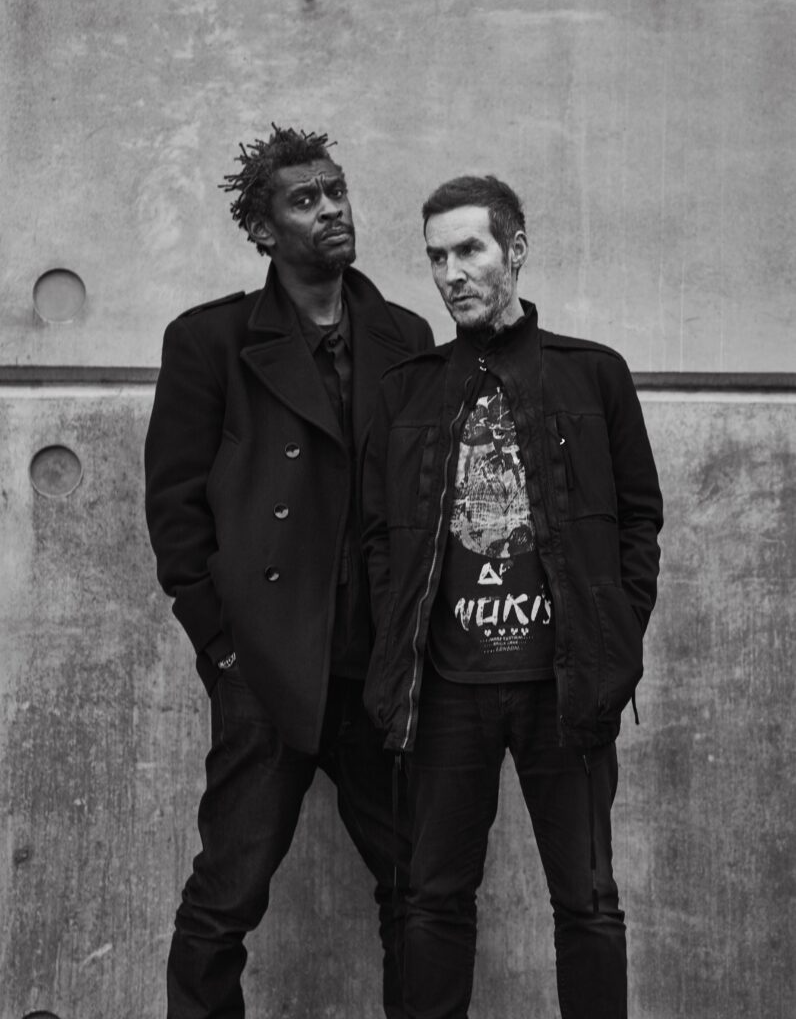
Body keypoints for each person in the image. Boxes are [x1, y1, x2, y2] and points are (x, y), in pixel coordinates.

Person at [144, 125, 433, 1019]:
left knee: (418, 890)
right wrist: (223, 647)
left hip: (375, 666)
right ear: (264, 231)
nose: (331, 209)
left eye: (336, 190)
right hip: (267, 666)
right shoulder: (212, 340)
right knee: (226, 895)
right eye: (304, 200)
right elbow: (175, 508)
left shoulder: (404, 335)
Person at [360, 175, 663, 1019]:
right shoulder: (408, 389)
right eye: (437, 257)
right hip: (446, 688)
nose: (451, 273)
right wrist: (396, 636)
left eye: (470, 249)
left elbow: (639, 520)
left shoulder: (593, 375)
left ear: (515, 249)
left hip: (564, 685)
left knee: (589, 902)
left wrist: (616, 636)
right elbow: (380, 535)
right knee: (432, 900)